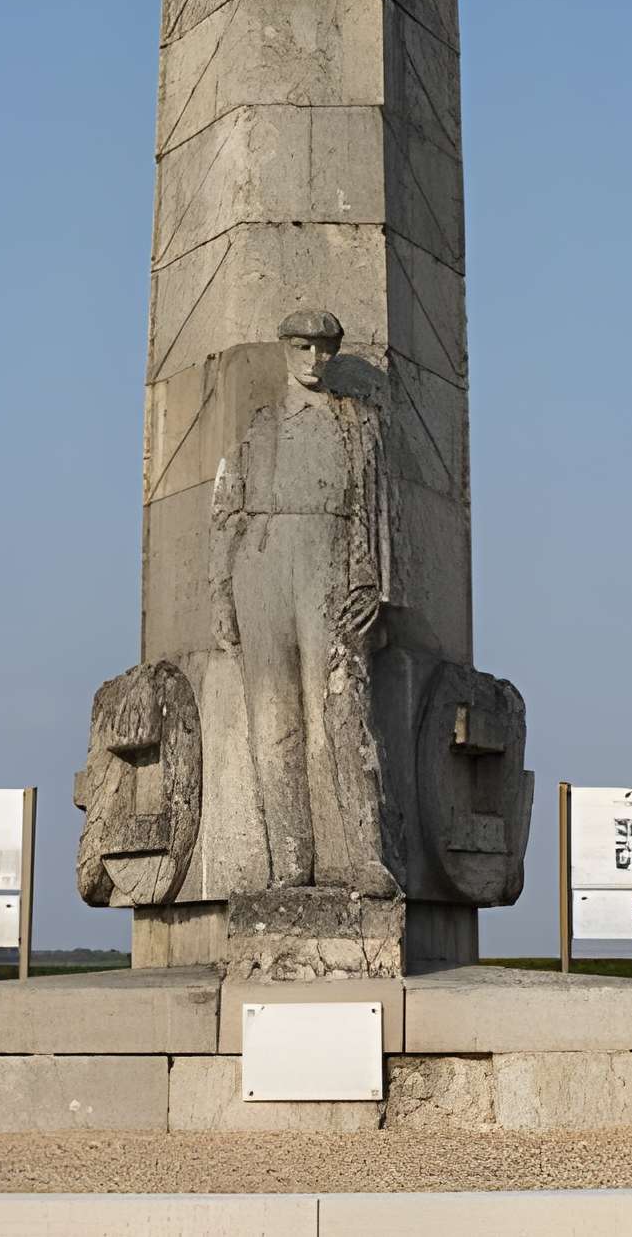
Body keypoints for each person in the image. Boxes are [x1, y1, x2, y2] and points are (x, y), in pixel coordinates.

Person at [210, 308, 397, 895]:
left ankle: (364, 857)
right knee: (273, 719)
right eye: (301, 348)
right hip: (262, 564)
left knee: (342, 711)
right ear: (285, 351)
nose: (313, 361)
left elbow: (377, 504)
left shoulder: (357, 422)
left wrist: (375, 583)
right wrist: (221, 592)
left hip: (330, 556)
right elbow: (228, 511)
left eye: (323, 350)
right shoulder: (260, 425)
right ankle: (290, 862)